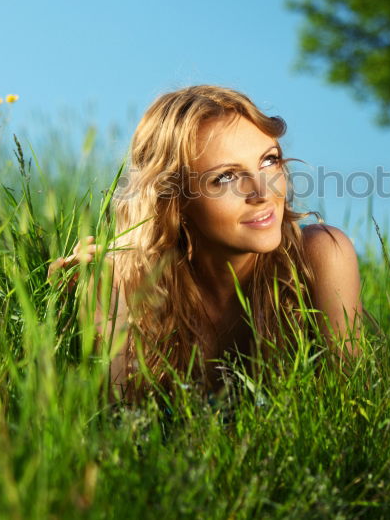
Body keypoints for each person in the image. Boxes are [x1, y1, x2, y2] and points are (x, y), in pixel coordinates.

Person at [48, 85, 362, 401]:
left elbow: (353, 409)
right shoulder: (125, 280)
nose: (262, 192)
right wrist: (90, 303)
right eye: (225, 177)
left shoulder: (320, 255)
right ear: (175, 200)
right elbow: (122, 426)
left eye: (268, 161)